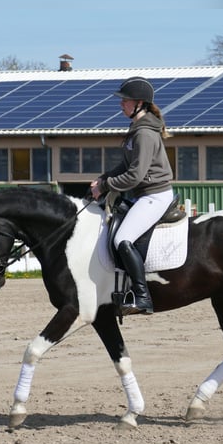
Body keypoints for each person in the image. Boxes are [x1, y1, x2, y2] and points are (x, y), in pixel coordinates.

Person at [89, 76, 174, 315]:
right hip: (143, 194)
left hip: (154, 195)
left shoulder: (144, 133)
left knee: (122, 238)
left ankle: (142, 296)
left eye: (124, 101)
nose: (121, 105)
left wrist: (105, 186)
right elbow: (125, 166)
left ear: (138, 103)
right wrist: (102, 179)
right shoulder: (136, 128)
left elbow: (135, 176)